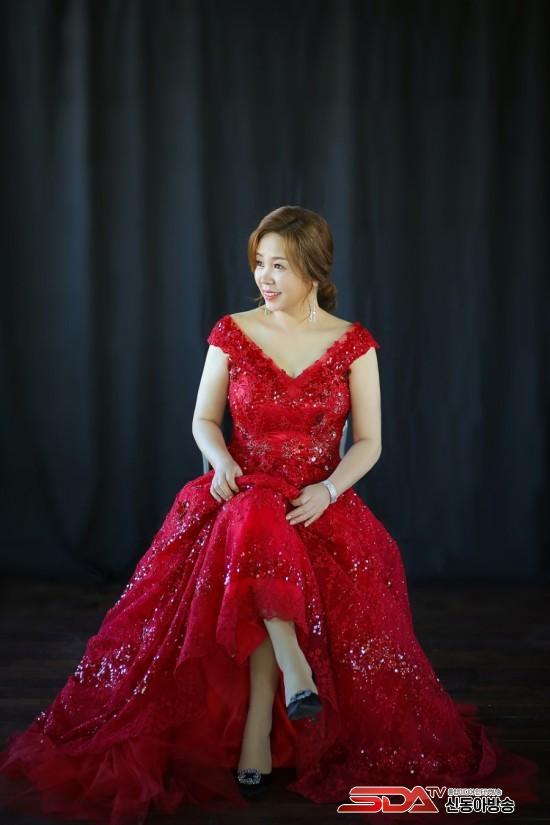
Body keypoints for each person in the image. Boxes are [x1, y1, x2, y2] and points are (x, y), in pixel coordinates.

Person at [0, 205, 539, 824]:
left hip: (314, 503)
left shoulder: (353, 344)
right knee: (255, 513)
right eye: (259, 263)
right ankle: (289, 672)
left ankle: (265, 713)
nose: (264, 277)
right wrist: (220, 460)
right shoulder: (232, 332)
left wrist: (329, 491)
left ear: (313, 269)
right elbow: (203, 419)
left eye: (279, 265)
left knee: (265, 531)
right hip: (238, 491)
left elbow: (370, 443)